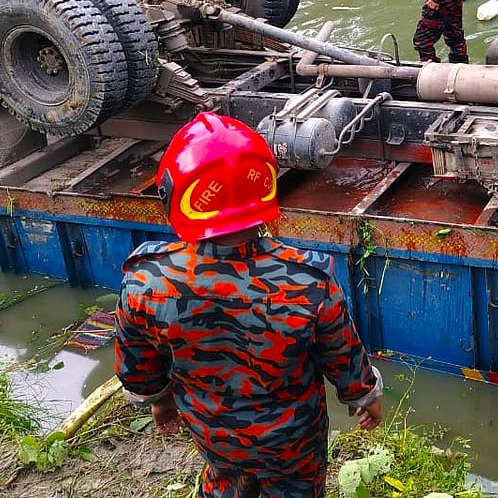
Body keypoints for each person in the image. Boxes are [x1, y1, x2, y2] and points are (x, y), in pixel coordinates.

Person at [115, 112, 384, 498]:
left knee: (226, 480)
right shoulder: (308, 281)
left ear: (175, 195)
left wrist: (160, 402)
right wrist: (364, 396)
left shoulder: (145, 282)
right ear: (266, 185)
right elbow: (344, 357)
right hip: (294, 442)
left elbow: (137, 366)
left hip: (214, 434)